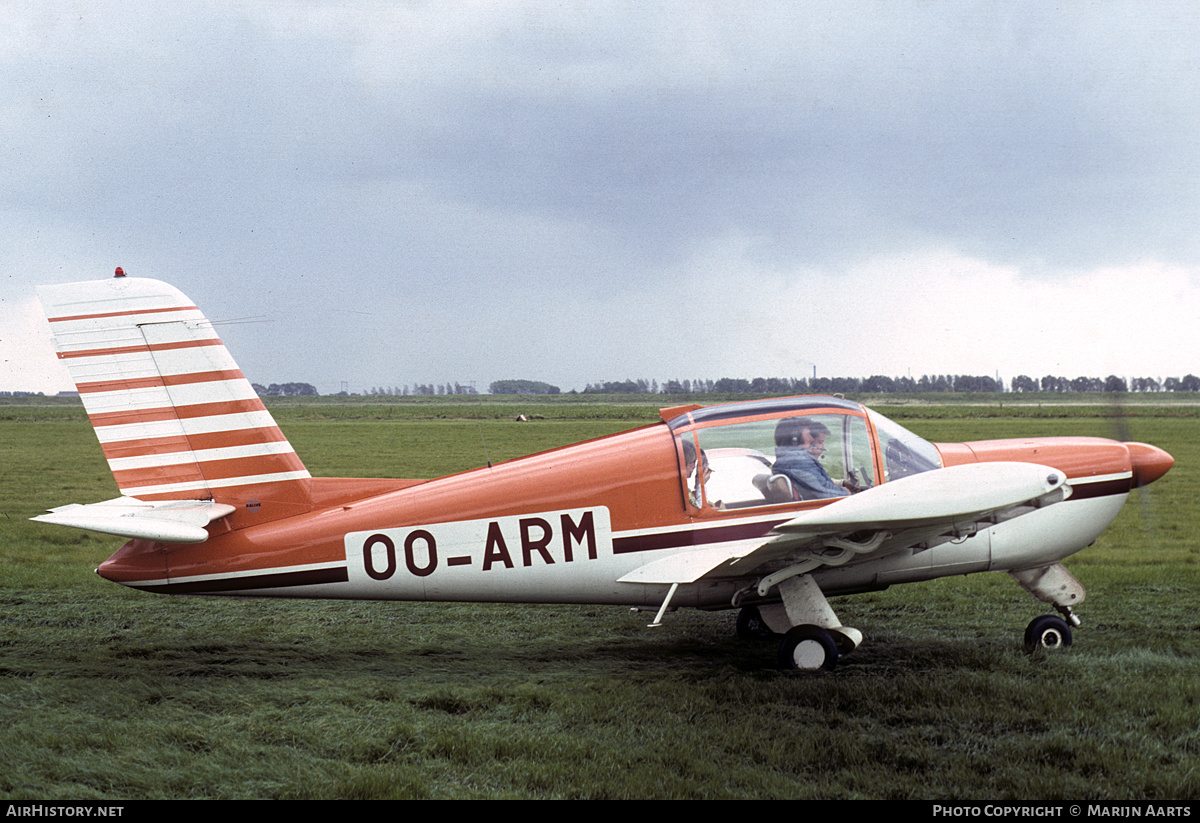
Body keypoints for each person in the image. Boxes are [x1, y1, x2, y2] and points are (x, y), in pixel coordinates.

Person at [770, 417, 858, 500]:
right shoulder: (797, 460)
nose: (812, 439)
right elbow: (825, 492)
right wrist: (846, 493)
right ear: (795, 439)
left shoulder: (787, 460)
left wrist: (843, 483)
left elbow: (814, 482)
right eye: (808, 435)